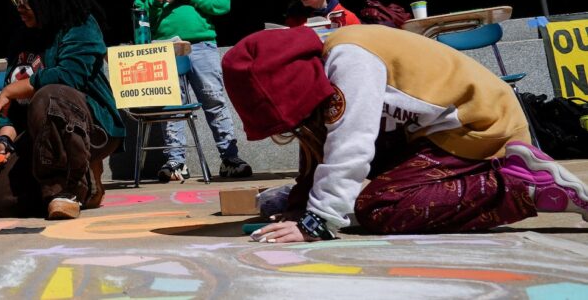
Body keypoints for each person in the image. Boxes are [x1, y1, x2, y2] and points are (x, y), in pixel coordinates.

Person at [222, 25, 588, 243]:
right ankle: (499, 177)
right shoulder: (327, 59)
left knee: (379, 207)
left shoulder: (349, 60)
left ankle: (525, 188)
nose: (294, 130)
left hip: (481, 127)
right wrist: (299, 205)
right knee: (360, 189)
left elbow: (351, 144)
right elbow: (321, 146)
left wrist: (318, 221)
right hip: (442, 127)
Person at [0, 0, 125, 220]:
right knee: (4, 200)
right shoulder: (20, 36)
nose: (21, 6)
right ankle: (79, 176)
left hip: (93, 127)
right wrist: (4, 138)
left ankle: (66, 192)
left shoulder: (80, 25)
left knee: (50, 94)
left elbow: (70, 76)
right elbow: (13, 106)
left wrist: (13, 90)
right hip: (42, 134)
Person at [133, 0, 252, 181]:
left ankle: (230, 158)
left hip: (201, 47)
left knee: (213, 100)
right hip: (165, 50)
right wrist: (156, 3)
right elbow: (139, 18)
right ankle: (176, 162)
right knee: (170, 107)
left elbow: (224, 4)